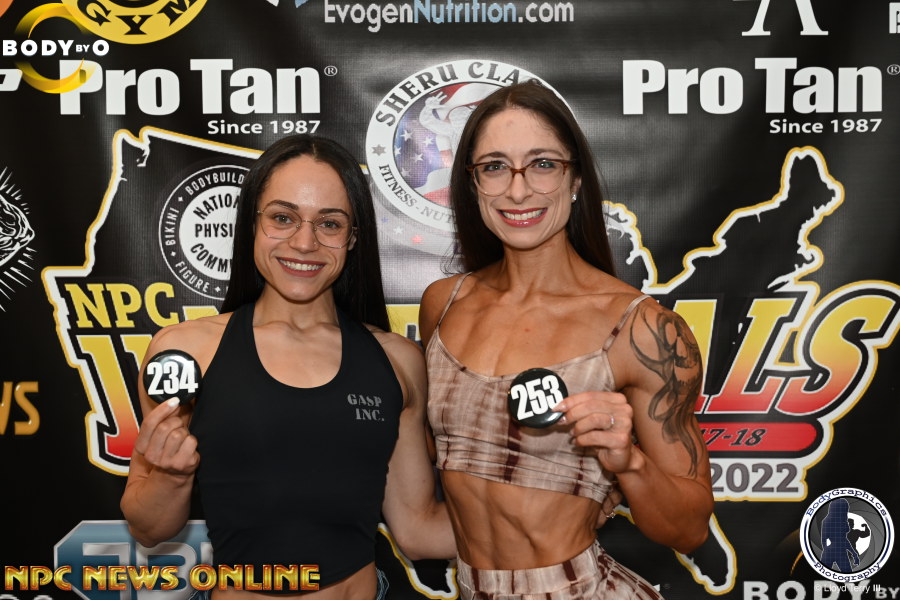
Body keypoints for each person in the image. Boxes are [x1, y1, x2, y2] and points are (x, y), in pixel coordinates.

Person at [121, 134, 454, 600]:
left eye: (330, 224)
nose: (304, 242)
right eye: (282, 217)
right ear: (252, 224)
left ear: (352, 237)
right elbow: (149, 527)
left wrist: (546, 514)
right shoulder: (185, 352)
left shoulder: (398, 361)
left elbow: (418, 530)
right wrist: (170, 476)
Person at [419, 80, 714, 599]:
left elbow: (689, 531)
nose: (517, 191)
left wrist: (630, 464)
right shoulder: (443, 304)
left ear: (575, 178)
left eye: (542, 164)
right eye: (494, 166)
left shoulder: (642, 330)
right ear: (472, 183)